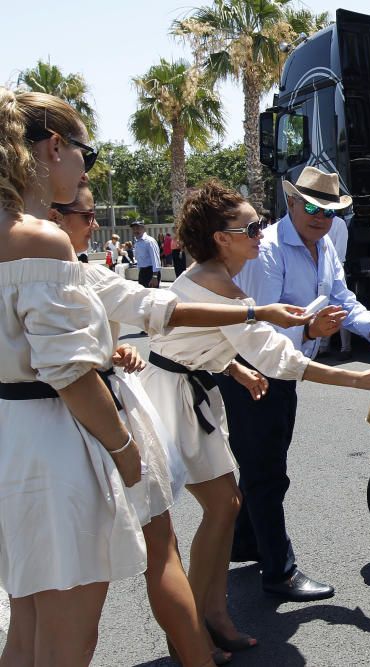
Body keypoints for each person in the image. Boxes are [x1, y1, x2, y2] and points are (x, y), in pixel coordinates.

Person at [142, 180, 370, 642]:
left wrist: (240, 362)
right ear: (223, 238)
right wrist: (358, 379)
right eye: (251, 226)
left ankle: (215, 612)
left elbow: (216, 340)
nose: (259, 234)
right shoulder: (236, 277)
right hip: (175, 399)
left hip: (201, 384)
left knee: (229, 503)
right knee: (173, 523)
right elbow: (276, 356)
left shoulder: (222, 273)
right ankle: (196, 631)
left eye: (260, 224)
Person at [0, 88, 146, 665]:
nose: (86, 164)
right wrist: (124, 446)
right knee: (65, 639)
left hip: (10, 437)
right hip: (51, 447)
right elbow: (69, 371)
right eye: (85, 150)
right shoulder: (39, 238)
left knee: (28, 623)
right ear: (54, 147)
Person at [220, 167, 370, 602]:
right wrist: (312, 333)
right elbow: (259, 329)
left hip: (283, 370)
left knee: (262, 464)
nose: (321, 217)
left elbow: (343, 299)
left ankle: (244, 542)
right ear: (292, 203)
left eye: (331, 210)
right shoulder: (268, 251)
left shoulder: (325, 246)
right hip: (255, 371)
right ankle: (279, 572)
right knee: (268, 472)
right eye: (313, 207)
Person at [324, 204, 354, 360]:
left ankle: (345, 348)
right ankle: (324, 345)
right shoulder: (325, 223)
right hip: (322, 269)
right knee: (325, 307)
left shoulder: (339, 223)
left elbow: (340, 252)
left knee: (341, 307)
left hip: (335, 269)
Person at [132, 220, 161, 287]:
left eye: (138, 228)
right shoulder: (137, 242)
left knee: (152, 296)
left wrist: (154, 276)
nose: (136, 231)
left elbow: (156, 259)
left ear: (144, 229)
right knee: (143, 296)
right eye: (134, 229)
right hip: (142, 272)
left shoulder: (149, 241)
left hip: (151, 272)